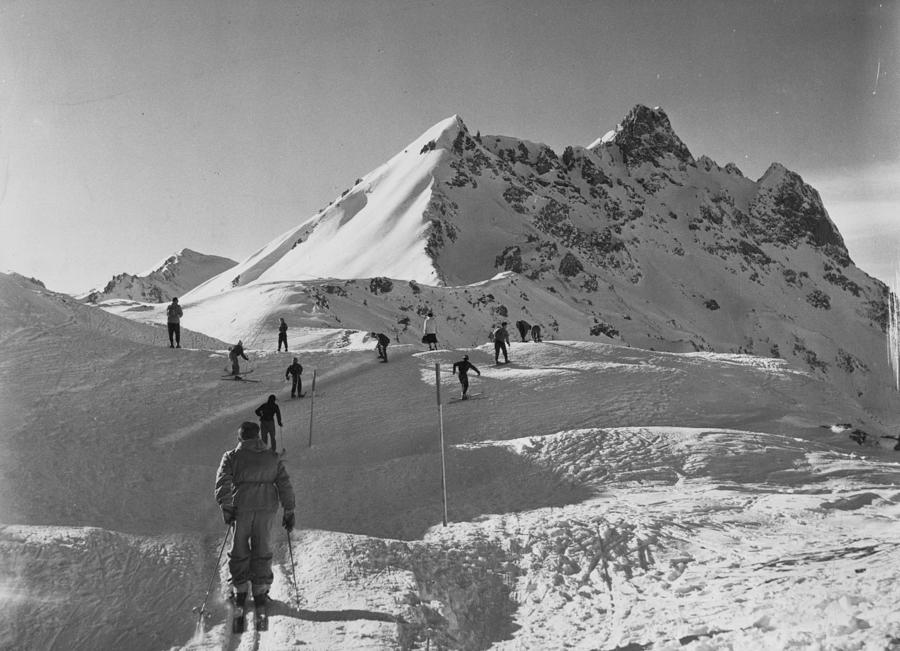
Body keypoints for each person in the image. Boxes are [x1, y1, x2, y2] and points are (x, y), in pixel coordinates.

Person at [215, 421, 295, 613]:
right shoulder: (272, 457)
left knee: (239, 547)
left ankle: (240, 591)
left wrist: (227, 505)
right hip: (266, 508)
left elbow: (222, 482)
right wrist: (289, 510)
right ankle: (260, 592)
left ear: (240, 437)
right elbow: (284, 484)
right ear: (258, 436)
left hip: (240, 507)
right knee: (262, 546)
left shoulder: (232, 457)